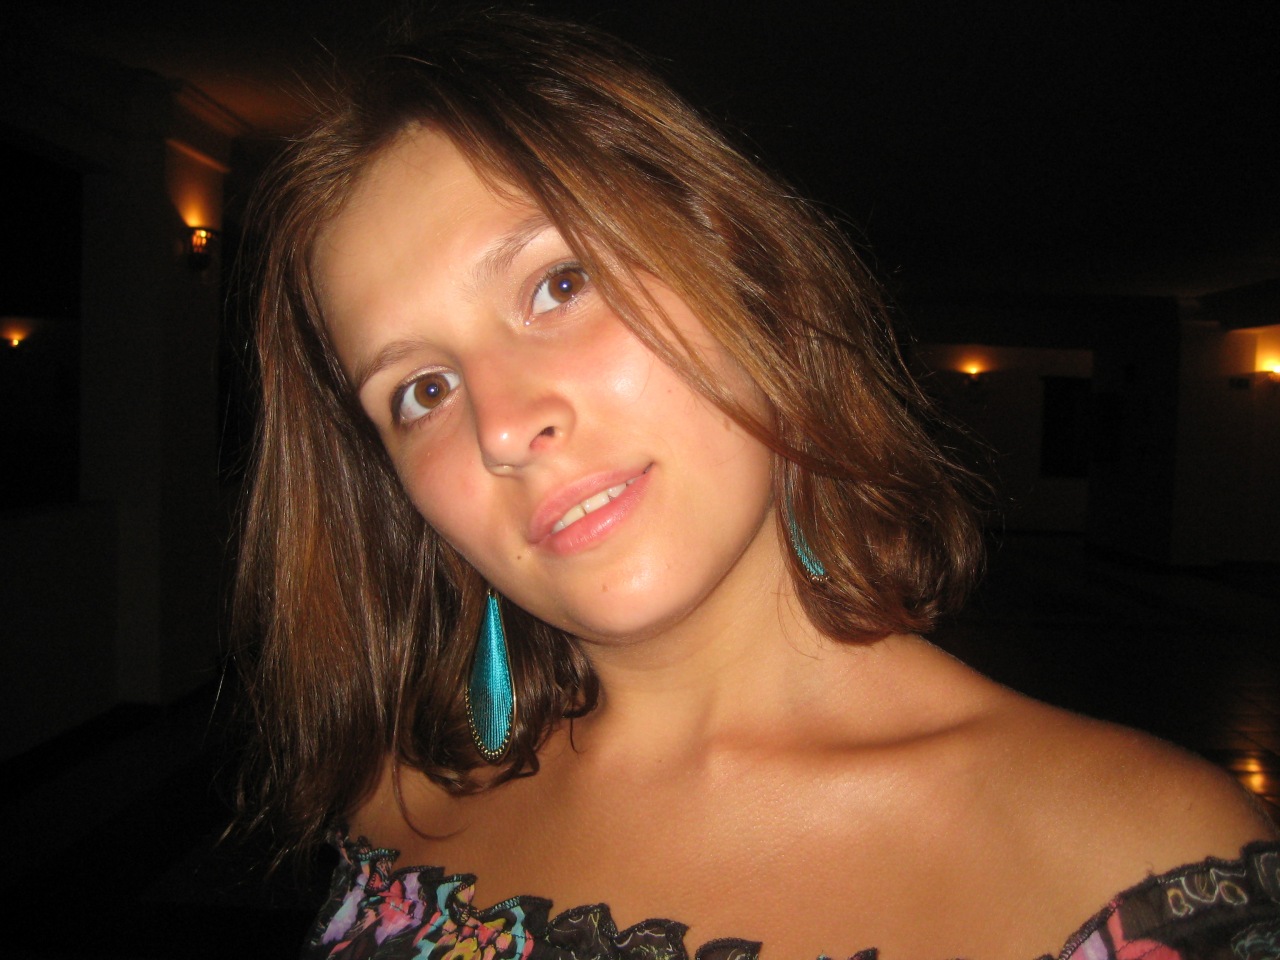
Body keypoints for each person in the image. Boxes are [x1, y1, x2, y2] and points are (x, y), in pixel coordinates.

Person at [234, 10, 1279, 960]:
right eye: (421, 390)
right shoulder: (399, 807)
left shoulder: (1136, 866)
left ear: (748, 279)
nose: (503, 427)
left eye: (559, 283)